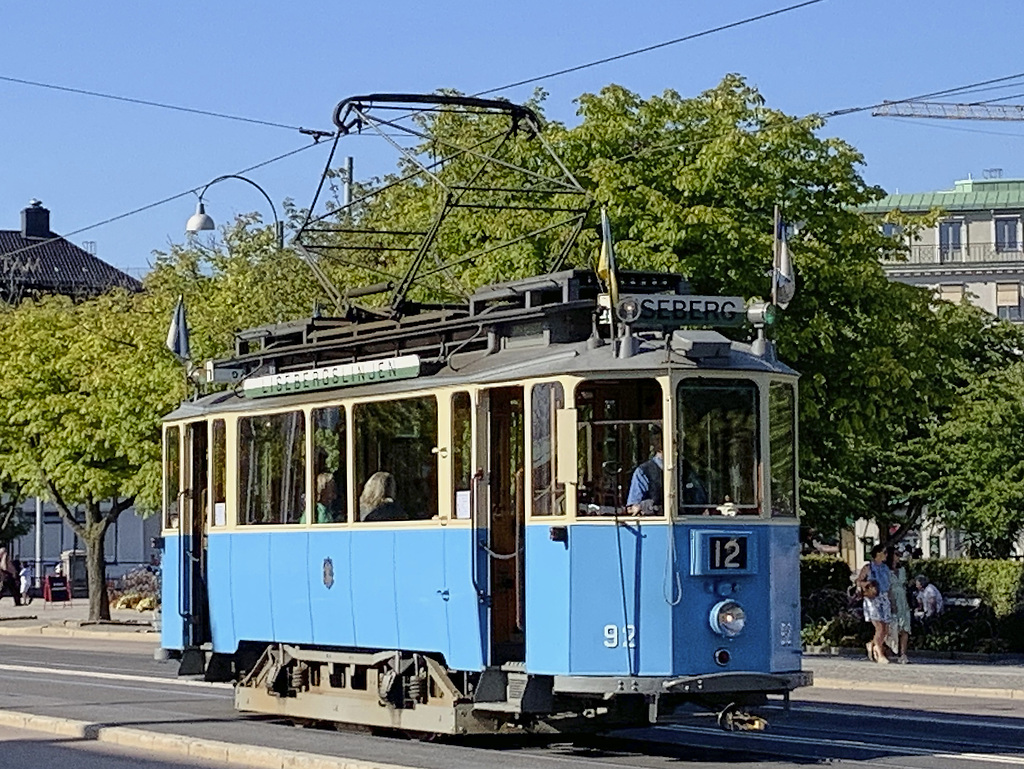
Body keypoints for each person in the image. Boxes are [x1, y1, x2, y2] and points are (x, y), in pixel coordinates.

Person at [857, 544, 891, 664]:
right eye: (884, 552)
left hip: (884, 598)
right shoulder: (868, 567)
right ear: (877, 554)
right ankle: (879, 651)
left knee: (886, 628)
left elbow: (889, 586)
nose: (886, 555)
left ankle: (872, 644)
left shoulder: (885, 568)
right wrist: (867, 584)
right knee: (879, 627)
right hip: (873, 599)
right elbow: (859, 581)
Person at [626, 431, 663, 514]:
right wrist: (647, 507)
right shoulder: (643, 471)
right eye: (657, 439)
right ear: (653, 442)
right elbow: (632, 508)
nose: (661, 442)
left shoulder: (684, 469)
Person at [885, 546, 911, 663]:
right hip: (892, 599)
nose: (898, 557)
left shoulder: (902, 570)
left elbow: (904, 584)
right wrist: (891, 602)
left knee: (905, 628)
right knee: (891, 629)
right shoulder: (886, 571)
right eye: (896, 555)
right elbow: (887, 588)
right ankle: (887, 651)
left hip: (903, 601)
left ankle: (903, 654)